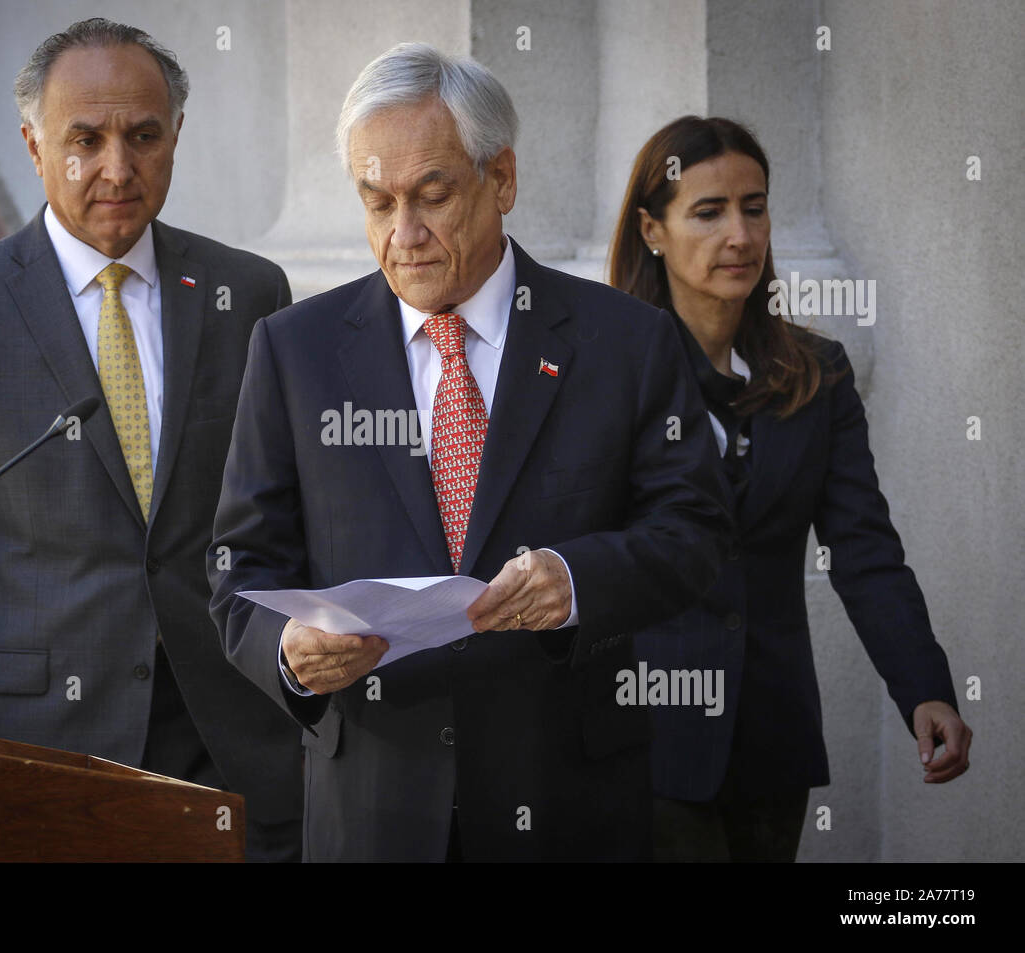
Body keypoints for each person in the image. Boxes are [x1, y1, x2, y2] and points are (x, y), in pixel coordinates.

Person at [207, 44, 732, 862]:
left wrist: (575, 578)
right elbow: (240, 573)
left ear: (503, 179)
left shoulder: (623, 341)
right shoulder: (294, 351)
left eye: (432, 196)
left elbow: (695, 531)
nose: (403, 235)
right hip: (374, 815)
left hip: (568, 805)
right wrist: (292, 655)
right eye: (376, 203)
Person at [0, 18, 303, 862]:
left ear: (176, 138)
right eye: (85, 138)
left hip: (229, 752)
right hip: (34, 761)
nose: (117, 167)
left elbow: (282, 522)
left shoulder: (246, 291)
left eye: (143, 136)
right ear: (33, 146)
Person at [608, 115, 972, 862]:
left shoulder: (818, 373)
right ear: (653, 229)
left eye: (754, 206)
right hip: (641, 742)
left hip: (773, 741)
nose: (740, 235)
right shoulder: (605, 377)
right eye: (708, 212)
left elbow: (864, 550)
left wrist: (925, 688)